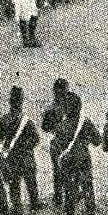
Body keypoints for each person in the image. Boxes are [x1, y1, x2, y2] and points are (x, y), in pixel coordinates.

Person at [55, 92, 100, 215]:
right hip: (84, 160)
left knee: (69, 192)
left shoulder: (61, 126)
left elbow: (57, 147)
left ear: (66, 109)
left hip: (69, 163)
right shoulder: (86, 123)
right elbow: (97, 141)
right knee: (88, 191)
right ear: (79, 107)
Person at [0, 85, 43, 215]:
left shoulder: (4, 119)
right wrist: (26, 146)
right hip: (27, 157)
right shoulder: (27, 121)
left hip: (12, 158)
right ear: (21, 101)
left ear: (10, 102)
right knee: (31, 182)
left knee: (14, 184)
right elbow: (36, 139)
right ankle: (34, 203)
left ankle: (17, 208)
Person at [40, 77, 69, 206]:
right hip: (69, 142)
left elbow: (44, 128)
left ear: (54, 91)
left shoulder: (51, 108)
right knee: (70, 170)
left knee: (57, 171)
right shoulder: (70, 106)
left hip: (56, 142)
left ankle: (58, 197)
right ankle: (71, 194)